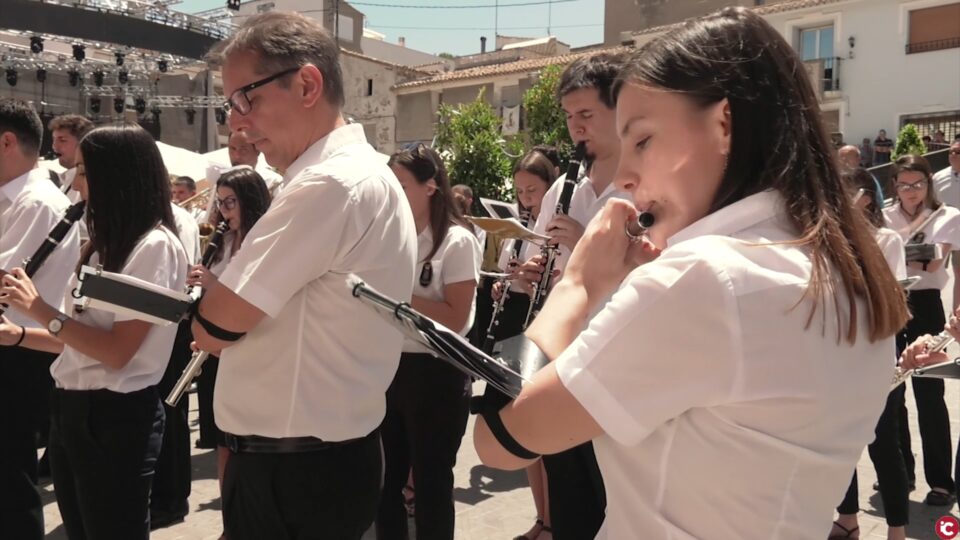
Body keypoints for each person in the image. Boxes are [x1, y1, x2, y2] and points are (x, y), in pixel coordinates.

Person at [472, 7, 908, 538]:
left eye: (643, 140)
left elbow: (499, 439)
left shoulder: (706, 277)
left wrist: (579, 284)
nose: (627, 177)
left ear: (724, 123)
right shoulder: (850, 273)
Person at [191, 12, 417, 539]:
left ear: (308, 84)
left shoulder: (328, 184)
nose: (237, 122)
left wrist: (209, 311)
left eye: (247, 98)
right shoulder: (355, 175)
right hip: (313, 464)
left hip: (294, 474)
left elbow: (216, 326)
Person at [0, 123, 189, 539]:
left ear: (116, 176)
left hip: (115, 418)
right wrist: (17, 334)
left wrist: (39, 308)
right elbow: (79, 338)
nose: (76, 184)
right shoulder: (105, 245)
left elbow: (118, 352)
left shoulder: (154, 247)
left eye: (84, 172)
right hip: (73, 410)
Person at [513, 51, 629, 540]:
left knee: (615, 494)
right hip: (566, 358)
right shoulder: (565, 186)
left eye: (587, 115)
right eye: (569, 117)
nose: (575, 129)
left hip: (621, 360)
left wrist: (583, 242)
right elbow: (546, 261)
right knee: (568, 487)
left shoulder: (645, 185)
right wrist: (532, 272)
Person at [375, 144, 481, 540]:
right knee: (385, 485)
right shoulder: (389, 238)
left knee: (433, 486)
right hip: (389, 367)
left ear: (431, 186)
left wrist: (394, 295)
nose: (392, 194)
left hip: (435, 373)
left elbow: (456, 317)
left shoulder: (457, 240)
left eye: (401, 185)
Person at [0, 99, 81, 540]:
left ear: (7, 141)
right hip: (14, 342)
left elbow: (6, 279)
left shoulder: (35, 202)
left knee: (10, 477)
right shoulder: (16, 199)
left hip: (21, 350)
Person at [185, 165, 271, 536]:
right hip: (217, 347)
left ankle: (249, 517)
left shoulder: (263, 241)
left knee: (247, 441)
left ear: (249, 200)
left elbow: (249, 298)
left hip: (250, 350)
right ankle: (230, 519)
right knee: (222, 437)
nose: (223, 213)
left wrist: (213, 281)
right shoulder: (223, 241)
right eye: (219, 204)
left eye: (230, 203)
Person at [831, 168, 910, 540]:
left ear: (868, 196)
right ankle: (848, 519)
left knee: (883, 443)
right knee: (839, 441)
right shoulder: (826, 240)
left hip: (878, 351)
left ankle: (896, 528)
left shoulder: (887, 239)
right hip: (836, 351)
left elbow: (894, 296)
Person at [882, 154, 960, 508]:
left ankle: (941, 482)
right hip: (891, 304)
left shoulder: (948, 217)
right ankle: (900, 473)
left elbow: (937, 260)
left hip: (928, 305)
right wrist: (919, 254)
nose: (911, 192)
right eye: (904, 185)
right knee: (891, 393)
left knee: (930, 396)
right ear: (894, 186)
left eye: (918, 184)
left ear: (929, 183)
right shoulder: (883, 216)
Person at [492, 148, 559, 540]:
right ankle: (541, 517)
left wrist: (537, 279)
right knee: (524, 431)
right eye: (520, 191)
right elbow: (508, 277)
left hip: (545, 324)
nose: (525, 199)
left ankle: (554, 521)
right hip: (518, 321)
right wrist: (506, 283)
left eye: (532, 190)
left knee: (543, 426)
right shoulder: (517, 231)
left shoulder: (555, 229)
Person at [933, 141, 960, 311]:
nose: (953, 155)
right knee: (935, 273)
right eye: (951, 152)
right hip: (941, 233)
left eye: (957, 152)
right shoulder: (938, 177)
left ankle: (956, 316)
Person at [48, 114, 94, 200]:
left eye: (62, 140)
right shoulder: (65, 179)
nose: (54, 146)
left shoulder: (87, 186)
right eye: (54, 139)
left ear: (83, 143)